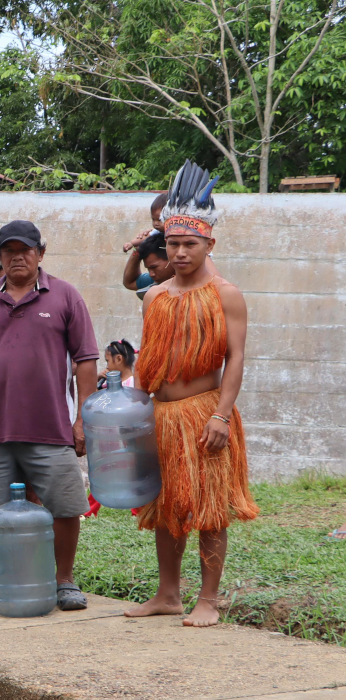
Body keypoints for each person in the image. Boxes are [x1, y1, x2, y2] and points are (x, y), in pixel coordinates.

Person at [124, 160, 256, 628]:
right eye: (174, 243)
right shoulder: (157, 296)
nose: (180, 252)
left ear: (209, 244)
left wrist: (221, 415)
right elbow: (148, 361)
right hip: (161, 413)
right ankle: (167, 594)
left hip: (205, 412)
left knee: (211, 504)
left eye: (190, 244)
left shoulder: (226, 295)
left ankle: (210, 599)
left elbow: (235, 359)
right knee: (167, 505)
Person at [0, 220, 99, 612]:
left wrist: (83, 420)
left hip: (50, 431)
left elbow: (86, 361)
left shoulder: (65, 296)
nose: (17, 256)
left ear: (40, 253)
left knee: (66, 508)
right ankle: (7, 579)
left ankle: (64, 580)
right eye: (8, 250)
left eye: (25, 249)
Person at [121, 193, 172, 299]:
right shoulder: (158, 279)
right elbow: (129, 282)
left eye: (154, 267)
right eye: (149, 269)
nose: (151, 274)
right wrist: (137, 248)